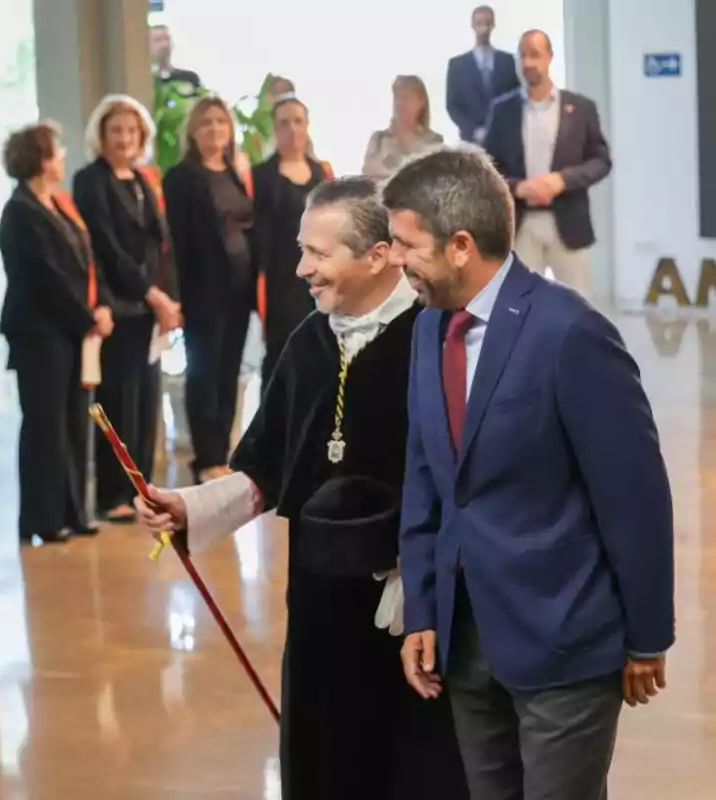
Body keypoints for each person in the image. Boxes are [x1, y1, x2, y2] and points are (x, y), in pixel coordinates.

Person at [135, 177, 468, 800]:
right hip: (320, 602)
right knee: (325, 758)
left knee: (414, 763)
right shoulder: (308, 341)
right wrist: (188, 506)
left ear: (378, 255)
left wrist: (422, 579)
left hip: (414, 606)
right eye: (300, 250)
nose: (300, 269)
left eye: (319, 254)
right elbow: (267, 466)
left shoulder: (436, 338)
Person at [383, 145, 674, 800]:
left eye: (405, 243)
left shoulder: (571, 334)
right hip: (463, 641)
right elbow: (427, 478)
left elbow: (635, 499)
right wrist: (423, 608)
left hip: (565, 640)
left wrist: (648, 636)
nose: (394, 260)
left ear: (460, 244)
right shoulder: (429, 330)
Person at [0, 122, 114, 544]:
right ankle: (43, 517)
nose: (63, 156)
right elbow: (44, 277)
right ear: (41, 159)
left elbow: (86, 262)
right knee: (46, 426)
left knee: (75, 423)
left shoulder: (59, 205)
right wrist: (86, 316)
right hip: (40, 332)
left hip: (71, 329)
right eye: (56, 150)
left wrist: (99, 306)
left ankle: (74, 509)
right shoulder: (20, 211)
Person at [73, 95, 180, 524]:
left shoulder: (142, 179)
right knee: (118, 401)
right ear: (101, 136)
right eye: (115, 130)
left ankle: (142, 488)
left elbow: (161, 243)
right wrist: (153, 295)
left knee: (146, 401)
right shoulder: (89, 181)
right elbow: (108, 248)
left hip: (149, 308)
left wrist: (168, 297)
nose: (123, 138)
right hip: (118, 305)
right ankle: (114, 494)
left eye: (131, 131)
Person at [163, 97, 256, 485]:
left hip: (239, 291)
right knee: (204, 373)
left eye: (220, 122)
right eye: (206, 124)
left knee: (229, 371)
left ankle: (223, 449)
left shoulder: (234, 172)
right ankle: (206, 457)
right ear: (193, 132)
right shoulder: (182, 177)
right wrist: (177, 296)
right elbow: (176, 244)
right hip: (204, 292)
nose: (214, 130)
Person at [483, 29, 612, 298]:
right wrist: (518, 188)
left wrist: (562, 180)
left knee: (577, 307)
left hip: (568, 222)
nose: (529, 63)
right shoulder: (502, 110)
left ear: (550, 57)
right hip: (521, 224)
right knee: (518, 306)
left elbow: (601, 161)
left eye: (536, 55)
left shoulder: (581, 108)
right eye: (523, 55)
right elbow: (487, 168)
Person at [252, 93, 332, 385]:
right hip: (280, 282)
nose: (292, 129)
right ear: (274, 129)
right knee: (281, 355)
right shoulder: (261, 176)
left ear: (307, 125)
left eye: (298, 121)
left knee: (319, 354)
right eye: (284, 123)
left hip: (320, 279)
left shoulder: (321, 173)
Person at [446, 5, 520, 143]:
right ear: (472, 25)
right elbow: (452, 105)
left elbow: (516, 97)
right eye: (479, 23)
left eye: (488, 23)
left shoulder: (507, 61)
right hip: (471, 141)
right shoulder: (457, 65)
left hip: (504, 140)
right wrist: (472, 131)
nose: (484, 28)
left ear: (493, 25)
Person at [362, 75, 444, 182]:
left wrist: (405, 140)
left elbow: (429, 176)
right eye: (397, 97)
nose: (400, 103)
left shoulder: (433, 140)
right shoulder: (379, 139)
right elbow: (370, 174)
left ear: (421, 102)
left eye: (406, 98)